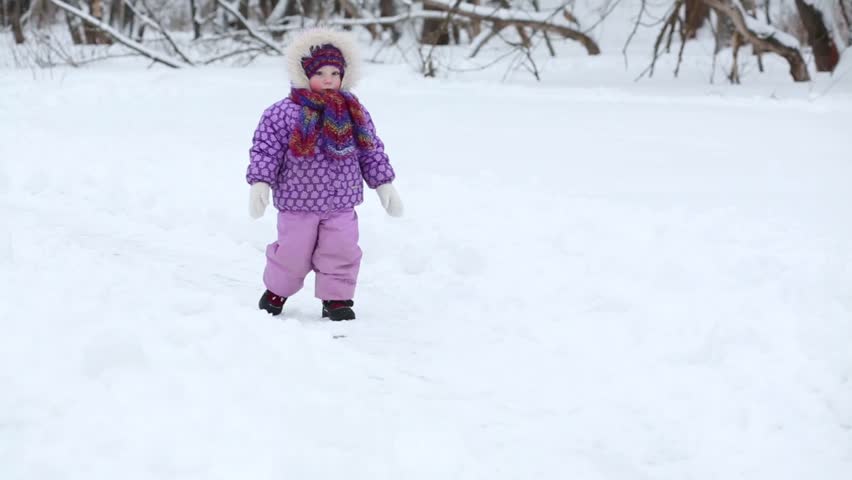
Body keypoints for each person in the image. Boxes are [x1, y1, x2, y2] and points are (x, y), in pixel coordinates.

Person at [246, 28, 403, 321]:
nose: (329, 78)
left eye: (334, 71)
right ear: (305, 74)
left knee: (341, 250)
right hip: (297, 202)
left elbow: (370, 149)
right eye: (320, 72)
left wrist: (384, 184)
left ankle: (337, 298)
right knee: (292, 253)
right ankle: (277, 290)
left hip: (341, 202)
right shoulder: (282, 113)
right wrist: (260, 182)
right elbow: (265, 150)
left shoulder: (353, 111)